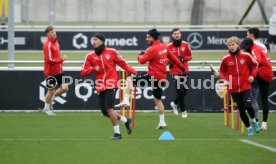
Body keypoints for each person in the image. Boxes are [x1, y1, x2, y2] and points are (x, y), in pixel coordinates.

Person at [115, 29, 185, 129]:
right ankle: (162, 122)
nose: (146, 39)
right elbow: (173, 58)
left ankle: (126, 100)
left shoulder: (152, 49)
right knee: (158, 99)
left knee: (129, 79)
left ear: (153, 37)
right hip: (162, 78)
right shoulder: (164, 47)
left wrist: (139, 55)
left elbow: (142, 61)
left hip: (153, 76)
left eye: (148, 37)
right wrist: (181, 66)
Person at [80, 33, 137, 140]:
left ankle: (117, 134)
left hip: (111, 84)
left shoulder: (112, 52)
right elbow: (83, 72)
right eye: (93, 40)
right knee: (105, 112)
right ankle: (125, 120)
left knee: (109, 108)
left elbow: (123, 63)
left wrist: (132, 71)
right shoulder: (89, 56)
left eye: (96, 40)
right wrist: (93, 69)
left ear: (102, 41)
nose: (93, 42)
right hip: (100, 85)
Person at [219, 36, 260, 136]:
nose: (231, 47)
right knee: (241, 110)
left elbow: (256, 65)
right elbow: (222, 72)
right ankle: (249, 128)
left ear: (237, 45)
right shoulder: (225, 59)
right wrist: (225, 80)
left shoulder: (246, 55)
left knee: (248, 106)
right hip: (233, 89)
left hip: (245, 86)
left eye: (233, 44)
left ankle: (254, 121)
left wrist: (252, 76)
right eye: (229, 45)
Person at [242, 38, 273, 131]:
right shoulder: (257, 48)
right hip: (268, 74)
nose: (243, 48)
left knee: (252, 97)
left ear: (248, 45)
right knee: (262, 99)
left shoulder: (254, 49)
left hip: (262, 74)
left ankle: (255, 121)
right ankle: (264, 123)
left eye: (244, 46)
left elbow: (256, 61)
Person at [43, 26, 69, 116]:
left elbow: (55, 56)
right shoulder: (48, 45)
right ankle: (46, 109)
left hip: (59, 71)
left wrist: (61, 64)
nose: (54, 33)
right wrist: (62, 60)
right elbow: (49, 60)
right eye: (51, 32)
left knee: (65, 88)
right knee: (50, 91)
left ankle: (52, 98)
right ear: (47, 34)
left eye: (54, 31)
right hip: (50, 72)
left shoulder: (56, 42)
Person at [167, 28, 192, 118]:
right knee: (180, 91)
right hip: (175, 72)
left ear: (180, 35)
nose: (177, 35)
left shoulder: (185, 44)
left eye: (178, 33)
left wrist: (184, 58)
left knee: (184, 91)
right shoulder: (168, 46)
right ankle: (184, 111)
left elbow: (190, 56)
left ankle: (174, 103)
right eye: (175, 33)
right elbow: (165, 58)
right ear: (172, 35)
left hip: (184, 70)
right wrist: (169, 63)